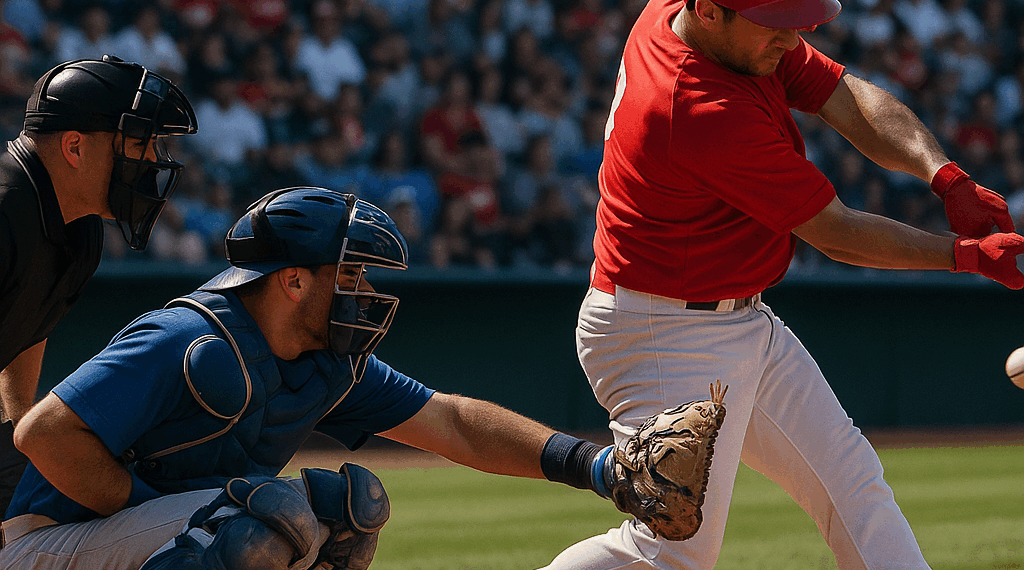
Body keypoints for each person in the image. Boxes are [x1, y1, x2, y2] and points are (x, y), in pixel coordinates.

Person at [541, 0, 1024, 568]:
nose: (793, 37)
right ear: (711, 11)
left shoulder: (709, 27)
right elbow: (836, 232)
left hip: (732, 316)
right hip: (663, 333)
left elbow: (842, 96)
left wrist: (946, 177)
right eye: (777, 22)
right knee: (671, 550)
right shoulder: (694, 105)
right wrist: (964, 255)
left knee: (852, 484)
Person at [0, 187, 620, 569]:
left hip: (148, 539)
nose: (368, 292)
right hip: (45, 545)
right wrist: (147, 508)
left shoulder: (327, 361)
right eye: (351, 276)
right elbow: (43, 434)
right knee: (260, 521)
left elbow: (454, 423)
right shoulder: (187, 339)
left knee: (343, 513)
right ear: (293, 280)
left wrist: (595, 466)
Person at [0, 56, 197, 515]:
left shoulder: (80, 228)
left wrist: (14, 428)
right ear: (74, 147)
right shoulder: (6, 212)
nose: (152, 161)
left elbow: (26, 331)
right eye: (138, 144)